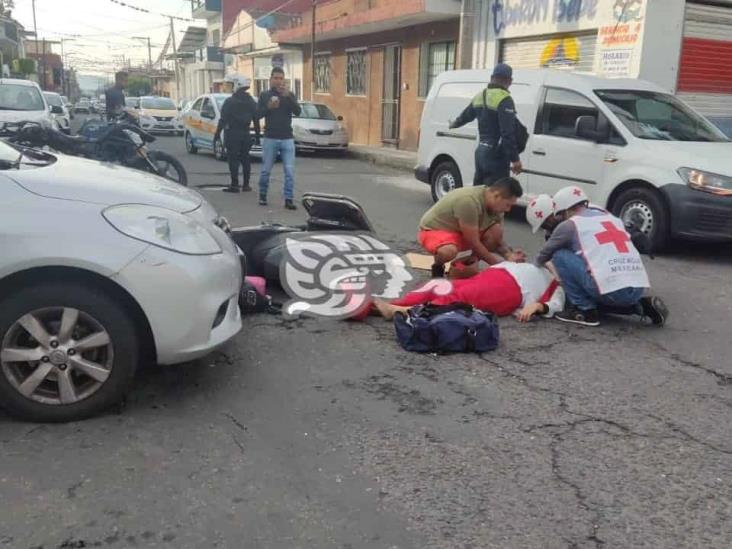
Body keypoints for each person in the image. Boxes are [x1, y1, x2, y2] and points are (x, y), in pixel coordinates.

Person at [536, 186, 668, 327]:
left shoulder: (569, 225)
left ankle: (584, 310)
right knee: (599, 282)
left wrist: (532, 268)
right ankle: (640, 305)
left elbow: (543, 256)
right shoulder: (611, 218)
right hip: (637, 288)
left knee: (559, 255)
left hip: (613, 291)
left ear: (565, 209)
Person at [372, 261, 564, 323]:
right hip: (496, 275)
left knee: (457, 299)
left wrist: (538, 306)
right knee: (440, 286)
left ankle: (401, 311)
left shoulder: (560, 285)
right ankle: (397, 303)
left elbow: (556, 304)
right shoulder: (543, 263)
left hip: (511, 289)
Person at [418, 176, 527, 278]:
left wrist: (509, 254)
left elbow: (498, 240)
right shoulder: (469, 201)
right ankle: (438, 266)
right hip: (436, 230)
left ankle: (466, 264)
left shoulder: (496, 206)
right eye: (507, 205)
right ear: (496, 196)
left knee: (496, 231)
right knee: (448, 251)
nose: (508, 210)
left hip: (463, 232)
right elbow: (473, 242)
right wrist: (499, 266)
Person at [449, 63, 523, 185]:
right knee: (496, 194)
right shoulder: (504, 99)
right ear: (509, 81)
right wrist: (515, 160)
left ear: (491, 78)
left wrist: (453, 124)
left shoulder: (480, 96)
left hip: (480, 152)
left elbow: (464, 117)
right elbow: (507, 133)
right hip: (496, 154)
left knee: (479, 192)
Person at [257, 67, 301, 210]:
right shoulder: (264, 95)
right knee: (266, 170)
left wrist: (288, 96)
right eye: (275, 78)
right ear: (270, 79)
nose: (278, 81)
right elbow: (257, 115)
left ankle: (288, 199)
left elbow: (298, 112)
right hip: (270, 137)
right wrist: (269, 107)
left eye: (281, 78)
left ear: (284, 80)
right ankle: (262, 195)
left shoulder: (289, 95)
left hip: (287, 138)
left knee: (289, 171)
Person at [214, 74, 261, 193]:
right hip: (246, 134)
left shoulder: (230, 101)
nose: (230, 87)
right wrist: (257, 136)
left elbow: (223, 120)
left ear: (237, 85)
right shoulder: (251, 101)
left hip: (232, 133)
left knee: (233, 159)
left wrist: (217, 134)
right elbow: (256, 119)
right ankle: (246, 185)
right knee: (245, 159)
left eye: (231, 85)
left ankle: (234, 185)